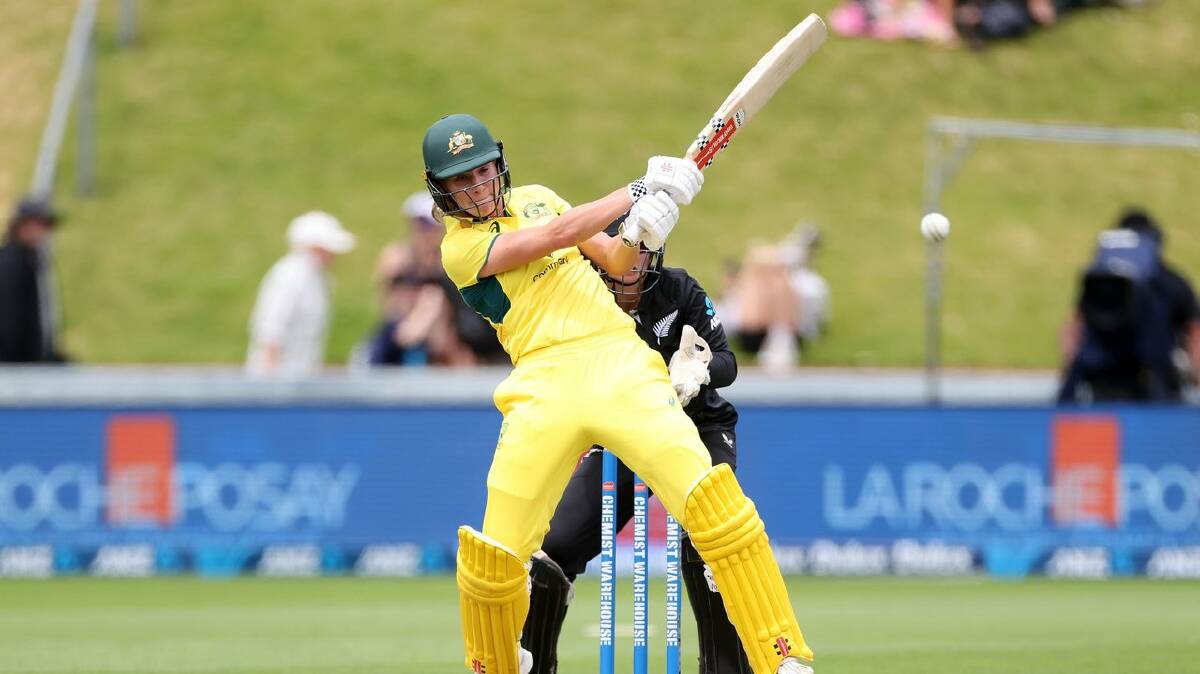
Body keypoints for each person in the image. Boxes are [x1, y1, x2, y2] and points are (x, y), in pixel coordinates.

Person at [424, 113, 813, 674]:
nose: (477, 188)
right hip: (541, 382)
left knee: (713, 503)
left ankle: (781, 656)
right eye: (461, 181)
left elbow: (615, 262)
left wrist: (642, 230)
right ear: (440, 189)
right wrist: (632, 191)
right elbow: (552, 238)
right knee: (497, 553)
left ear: (500, 166)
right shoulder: (458, 248)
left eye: (482, 172)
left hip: (618, 361)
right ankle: (495, 664)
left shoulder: (539, 197)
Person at [521, 223, 753, 673]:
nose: (634, 267)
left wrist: (698, 365)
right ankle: (533, 664)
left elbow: (728, 362)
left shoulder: (678, 289)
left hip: (695, 427)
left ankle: (726, 667)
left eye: (645, 254)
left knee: (715, 543)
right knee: (556, 547)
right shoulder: (580, 294)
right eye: (625, 253)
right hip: (623, 436)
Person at [1059, 208, 1200, 403]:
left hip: (1105, 379)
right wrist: (1194, 374)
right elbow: (1195, 334)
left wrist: (1072, 372)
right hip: (1153, 383)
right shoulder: (1171, 283)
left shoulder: (1099, 284)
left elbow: (1073, 330)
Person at [246, 210, 356, 377]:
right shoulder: (289, 276)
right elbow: (271, 333)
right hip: (278, 384)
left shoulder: (317, 279)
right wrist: (270, 388)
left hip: (297, 382)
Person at [0, 196, 66, 363]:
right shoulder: (11, 263)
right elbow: (9, 321)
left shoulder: (31, 260)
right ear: (21, 226)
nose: (44, 231)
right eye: (39, 224)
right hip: (17, 368)